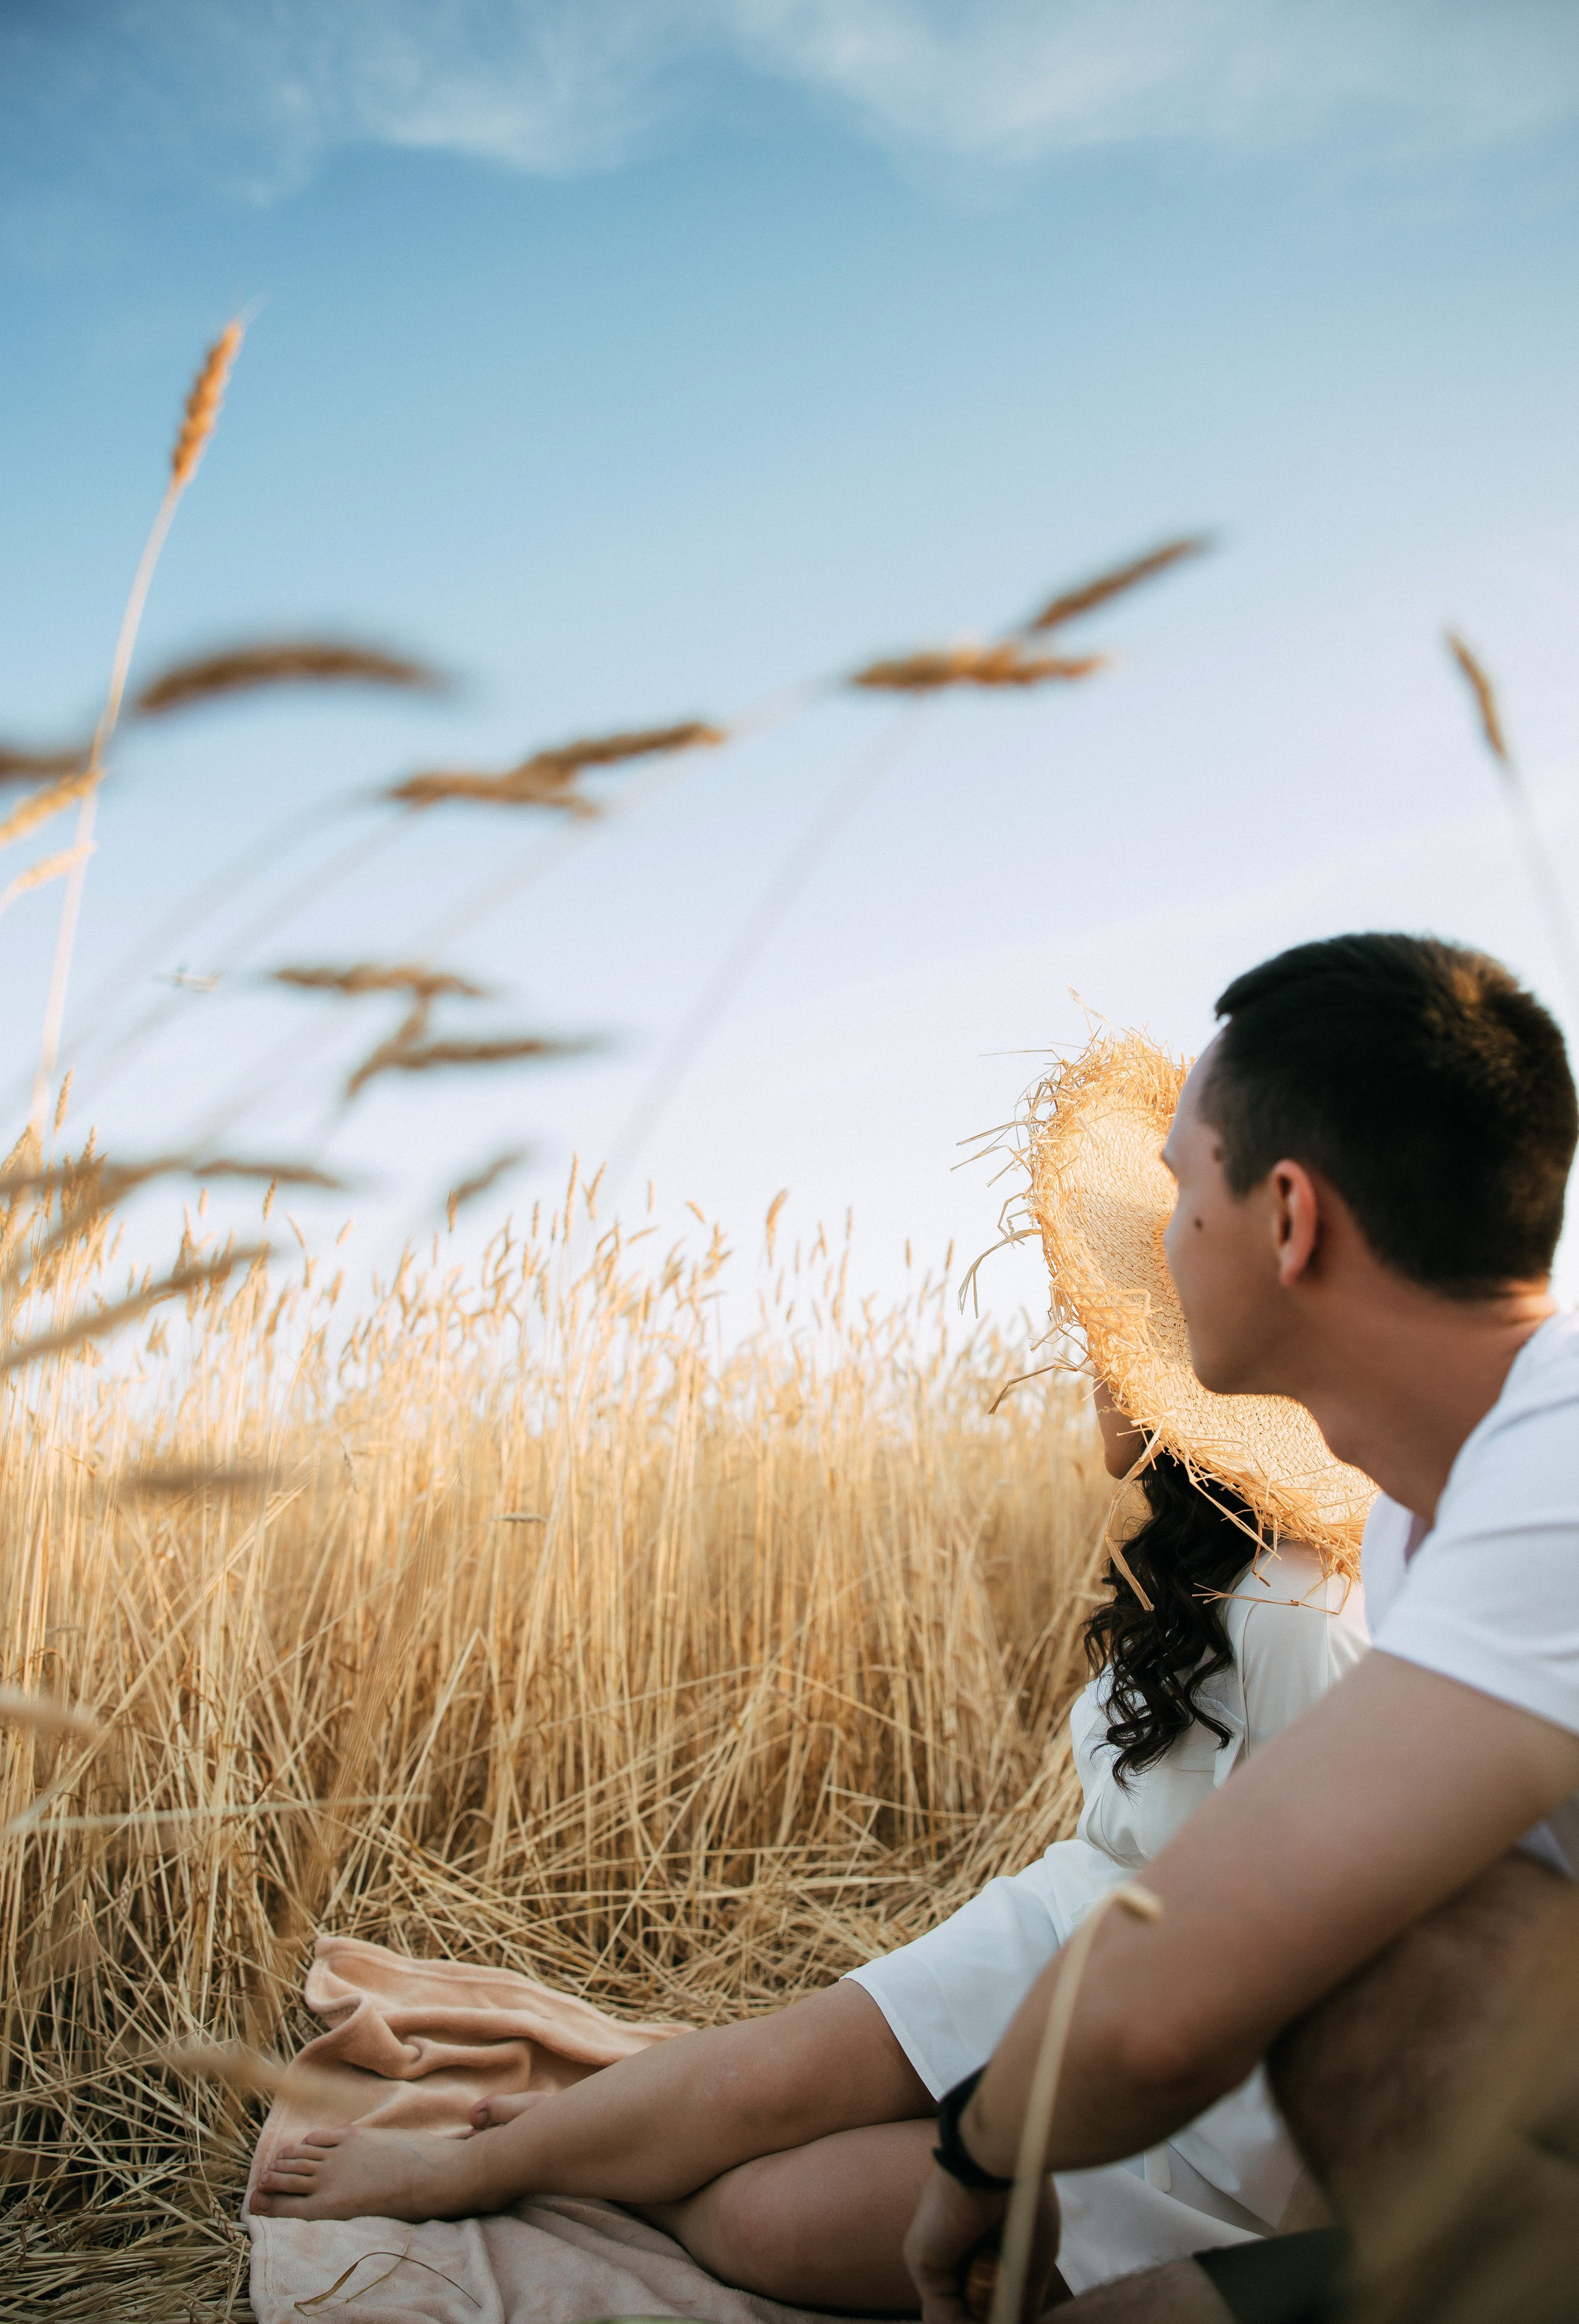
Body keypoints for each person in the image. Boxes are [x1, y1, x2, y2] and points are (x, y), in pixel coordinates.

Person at [250, 1021, 1373, 2307]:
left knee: (765, 2217)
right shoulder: (1204, 1571)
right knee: (761, 2080)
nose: (1090, 1365)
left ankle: (596, 2160)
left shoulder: (1304, 1617)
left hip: (1199, 2102)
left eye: (1124, 1348)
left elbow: (1335, 1960)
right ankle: (473, 2168)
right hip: (1072, 1932)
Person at [899, 933, 1579, 2323]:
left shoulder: (1553, 1480)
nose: (1158, 1246)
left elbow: (1180, 1985)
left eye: (1178, 1191)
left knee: (1376, 1954)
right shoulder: (1416, 1522)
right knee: (1396, 1940)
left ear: (1287, 1219)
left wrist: (977, 2150)